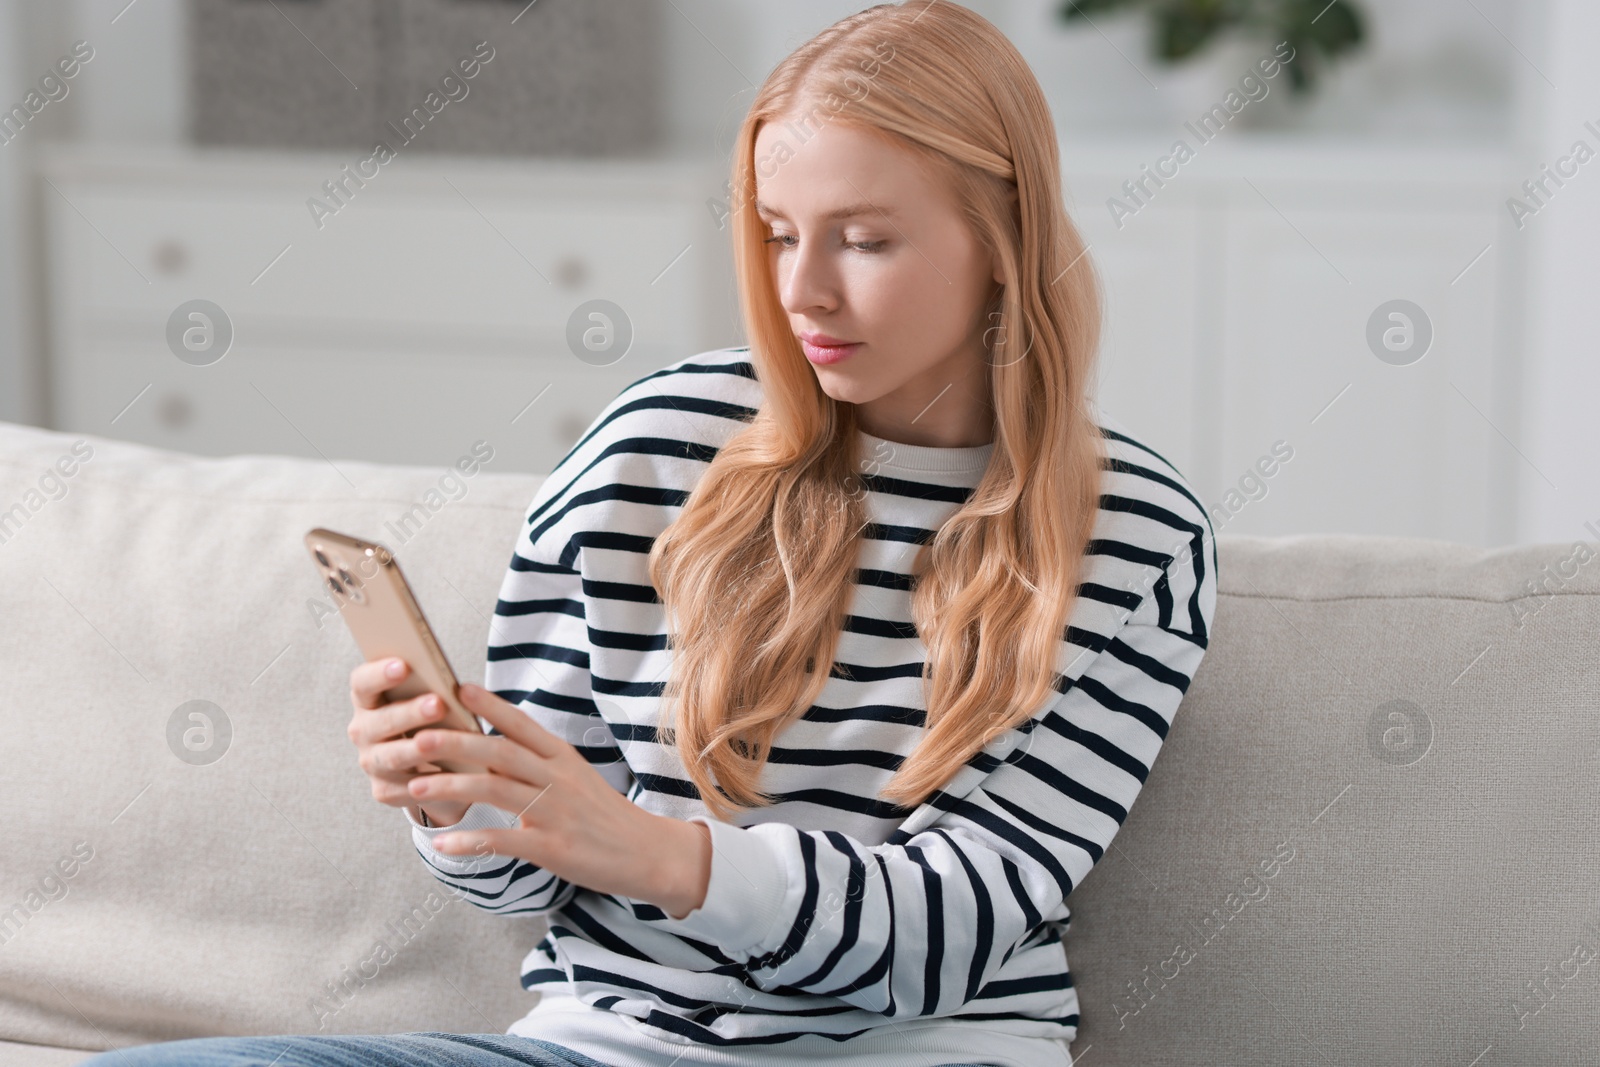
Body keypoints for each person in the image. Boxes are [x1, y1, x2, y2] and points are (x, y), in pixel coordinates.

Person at [81, 2, 1216, 1064]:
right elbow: (522, 886)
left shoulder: (1133, 538)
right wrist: (455, 793)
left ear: (1003, 238)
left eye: (864, 241)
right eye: (777, 236)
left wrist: (664, 856)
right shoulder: (660, 444)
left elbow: (953, 927)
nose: (803, 292)